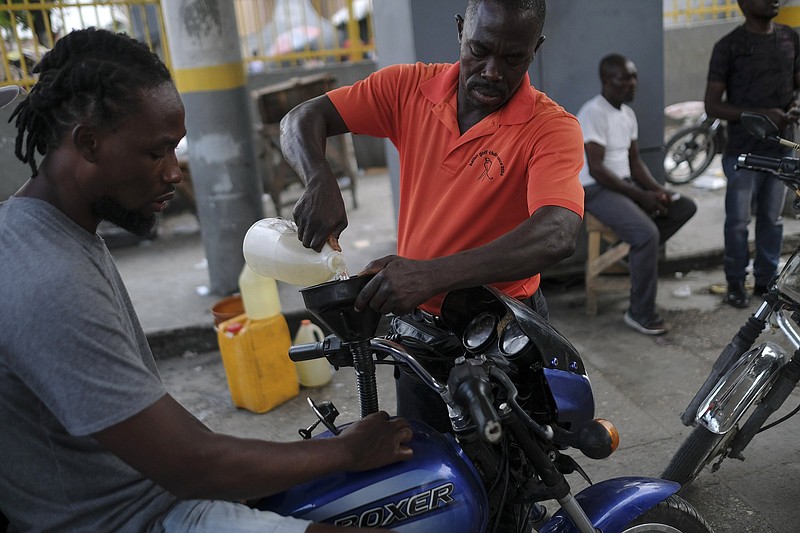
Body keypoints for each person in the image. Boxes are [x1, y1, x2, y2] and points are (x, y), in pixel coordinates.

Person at [0, 28, 413, 533]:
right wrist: (348, 449)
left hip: (159, 491)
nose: (174, 173)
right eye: (157, 153)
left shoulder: (53, 231)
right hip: (136, 519)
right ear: (89, 142)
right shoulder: (47, 279)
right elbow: (193, 465)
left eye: (175, 150)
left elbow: (157, 424)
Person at [279, 0, 585, 432]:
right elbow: (301, 118)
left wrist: (429, 275)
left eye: (513, 57)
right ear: (461, 30)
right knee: (433, 472)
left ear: (536, 48)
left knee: (511, 472)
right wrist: (318, 179)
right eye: (479, 50)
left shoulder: (550, 128)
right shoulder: (408, 89)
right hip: (417, 328)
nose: (493, 71)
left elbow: (556, 232)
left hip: (500, 331)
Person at [576, 54, 697, 336]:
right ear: (607, 81)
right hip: (596, 189)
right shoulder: (593, 112)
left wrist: (658, 190)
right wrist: (640, 197)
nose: (633, 84)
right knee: (647, 235)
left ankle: (633, 256)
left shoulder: (627, 114)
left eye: (634, 77)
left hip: (624, 183)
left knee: (683, 206)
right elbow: (596, 169)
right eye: (625, 78)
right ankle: (640, 312)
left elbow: (635, 163)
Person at [705, 0, 800, 308]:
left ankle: (765, 282)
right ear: (744, 3)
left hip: (780, 150)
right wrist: (762, 114)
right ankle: (735, 282)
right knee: (737, 221)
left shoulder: (790, 38)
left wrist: (795, 107)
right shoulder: (728, 46)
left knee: (772, 220)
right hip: (741, 151)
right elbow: (712, 105)